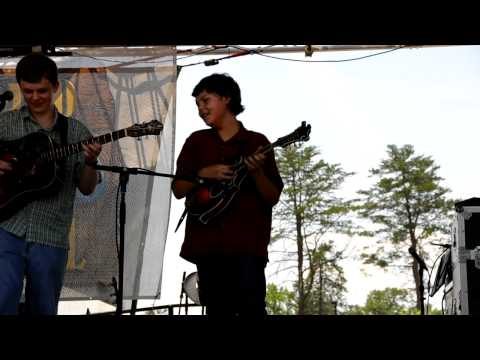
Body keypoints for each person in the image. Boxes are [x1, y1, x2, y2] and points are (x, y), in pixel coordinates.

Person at [172, 73, 283, 316]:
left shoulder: (257, 142)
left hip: (247, 247)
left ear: (226, 98)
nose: (201, 109)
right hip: (208, 247)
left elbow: (272, 197)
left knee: (252, 309)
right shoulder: (197, 141)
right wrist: (203, 173)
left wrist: (256, 174)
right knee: (217, 310)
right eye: (197, 105)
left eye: (205, 100)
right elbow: (178, 190)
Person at [0, 53, 102, 315]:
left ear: (56, 87)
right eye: (28, 91)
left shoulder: (77, 132)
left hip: (51, 235)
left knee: (43, 309)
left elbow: (88, 187)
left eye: (42, 90)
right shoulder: (5, 124)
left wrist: (90, 162)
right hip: (6, 228)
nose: (35, 97)